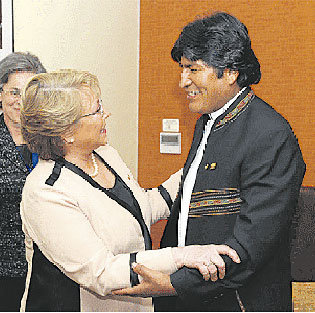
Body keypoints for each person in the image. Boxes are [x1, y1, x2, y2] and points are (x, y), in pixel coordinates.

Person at [112, 12, 306, 311]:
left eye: (193, 69)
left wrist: (176, 284)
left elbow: (253, 243)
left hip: (239, 302)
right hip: (195, 295)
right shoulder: (208, 122)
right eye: (182, 69)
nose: (182, 81)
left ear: (229, 72)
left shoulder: (270, 134)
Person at [19, 69, 241, 312]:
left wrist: (201, 164)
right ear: (66, 132)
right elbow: (101, 272)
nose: (106, 114)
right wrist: (181, 257)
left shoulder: (105, 155)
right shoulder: (46, 190)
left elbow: (143, 207)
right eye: (96, 111)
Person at [0, 52, 46, 311]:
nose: (20, 101)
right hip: (5, 271)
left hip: (49, 266)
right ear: (1, 94)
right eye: (13, 92)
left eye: (28, 92)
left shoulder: (53, 139)